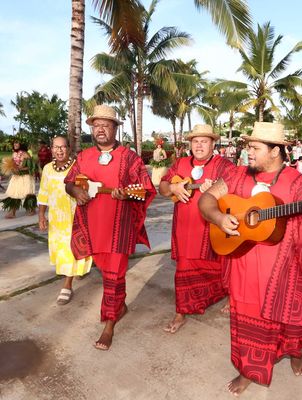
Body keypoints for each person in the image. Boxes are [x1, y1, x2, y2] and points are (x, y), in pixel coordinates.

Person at [199, 122, 302, 396]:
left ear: (275, 152)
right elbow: (207, 200)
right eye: (248, 146)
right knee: (246, 319)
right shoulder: (236, 176)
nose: (248, 152)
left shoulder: (299, 184)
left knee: (293, 319)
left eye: (255, 148)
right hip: (244, 266)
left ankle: (295, 352)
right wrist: (219, 217)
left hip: (286, 269)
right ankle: (249, 370)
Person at [64, 105, 156, 350]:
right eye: (96, 125)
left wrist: (127, 195)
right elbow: (69, 182)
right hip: (92, 228)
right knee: (107, 274)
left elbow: (146, 190)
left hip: (119, 228)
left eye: (106, 124)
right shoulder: (84, 157)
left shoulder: (130, 157)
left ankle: (109, 324)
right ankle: (120, 306)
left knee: (114, 276)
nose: (100, 129)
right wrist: (74, 190)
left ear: (116, 128)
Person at [159, 124, 235, 334]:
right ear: (190, 144)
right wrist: (173, 187)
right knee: (184, 268)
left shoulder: (224, 165)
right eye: (195, 141)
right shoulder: (180, 163)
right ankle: (181, 312)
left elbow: (236, 188)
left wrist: (217, 188)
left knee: (221, 265)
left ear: (212, 144)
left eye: (204, 141)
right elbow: (163, 187)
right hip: (185, 227)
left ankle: (230, 296)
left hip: (212, 227)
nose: (199, 145)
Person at [38, 136, 93, 304]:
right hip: (57, 220)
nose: (59, 150)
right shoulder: (47, 169)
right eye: (56, 147)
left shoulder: (78, 167)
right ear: (51, 149)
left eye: (62, 147)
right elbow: (43, 194)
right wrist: (41, 215)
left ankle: (67, 286)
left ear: (68, 148)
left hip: (75, 217)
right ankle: (74, 271)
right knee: (61, 250)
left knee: (71, 249)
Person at [1, 141, 37, 218]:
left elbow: (32, 167)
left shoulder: (25, 154)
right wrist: (12, 168)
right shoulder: (14, 154)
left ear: (21, 144)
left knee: (28, 193)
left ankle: (31, 209)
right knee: (13, 193)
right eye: (14, 143)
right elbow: (12, 164)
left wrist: (21, 168)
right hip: (16, 176)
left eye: (17, 143)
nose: (15, 144)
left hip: (26, 176)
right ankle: (12, 212)